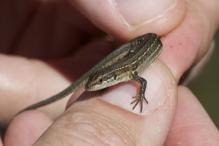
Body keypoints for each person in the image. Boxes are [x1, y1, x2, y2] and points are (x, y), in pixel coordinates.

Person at [1, 0, 219, 145]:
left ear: (113, 77)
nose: (95, 85)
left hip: (150, 41)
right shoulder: (125, 69)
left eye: (101, 81)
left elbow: (142, 82)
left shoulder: (131, 71)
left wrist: (139, 97)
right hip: (138, 44)